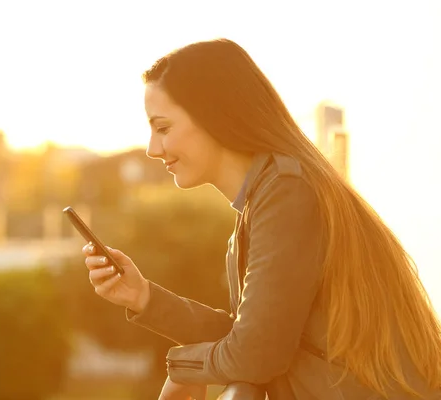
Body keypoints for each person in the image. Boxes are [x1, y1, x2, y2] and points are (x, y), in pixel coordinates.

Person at [81, 38, 441, 399]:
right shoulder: (265, 201)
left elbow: (257, 354)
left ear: (214, 116)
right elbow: (250, 336)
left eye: (163, 128)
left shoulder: (288, 192)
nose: (152, 149)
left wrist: (185, 368)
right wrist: (143, 297)